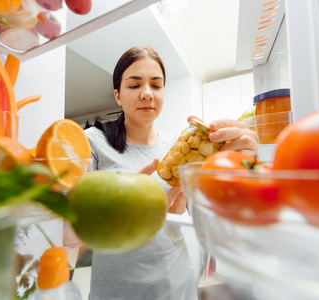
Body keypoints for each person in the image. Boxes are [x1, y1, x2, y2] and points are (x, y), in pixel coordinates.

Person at [84, 46, 258, 300]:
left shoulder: (182, 146)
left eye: (156, 85)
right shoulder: (95, 141)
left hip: (177, 287)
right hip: (116, 291)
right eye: (134, 86)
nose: (147, 94)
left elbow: (209, 218)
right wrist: (122, 204)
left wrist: (241, 168)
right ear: (118, 95)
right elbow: (72, 222)